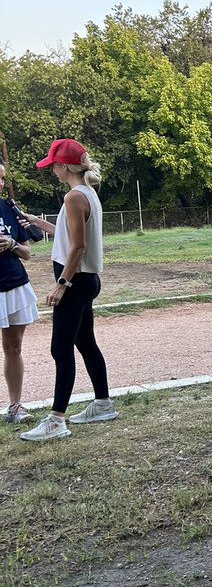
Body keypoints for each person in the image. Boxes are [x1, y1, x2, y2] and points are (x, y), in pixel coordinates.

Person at [18, 139, 118, 441]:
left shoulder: (74, 197)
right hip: (87, 280)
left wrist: (61, 285)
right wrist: (38, 222)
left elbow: (79, 245)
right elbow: (69, 234)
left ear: (64, 166)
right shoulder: (86, 193)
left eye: (53, 166)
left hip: (74, 281)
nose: (52, 171)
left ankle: (56, 420)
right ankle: (103, 404)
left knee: (60, 349)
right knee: (85, 342)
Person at [0, 163, 41, 424]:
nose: (1, 184)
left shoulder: (8, 208)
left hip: (14, 285)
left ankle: (15, 406)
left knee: (13, 347)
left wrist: (13, 243)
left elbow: (27, 252)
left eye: (3, 178)